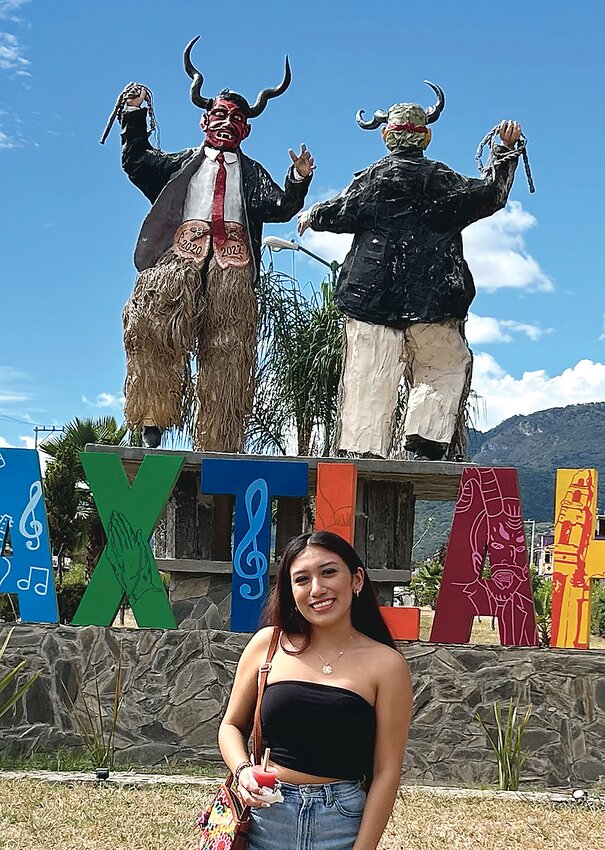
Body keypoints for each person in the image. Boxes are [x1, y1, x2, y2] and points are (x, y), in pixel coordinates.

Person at [298, 83, 522, 461]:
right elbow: (491, 195)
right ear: (426, 137)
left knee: (368, 373)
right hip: (434, 300)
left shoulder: (369, 181)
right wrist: (505, 154)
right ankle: (426, 438)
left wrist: (313, 215)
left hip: (370, 297)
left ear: (386, 136)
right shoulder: (445, 181)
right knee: (444, 365)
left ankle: (362, 446)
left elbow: (339, 211)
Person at [116, 37, 314, 450]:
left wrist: (297, 179)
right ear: (205, 121)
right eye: (220, 114)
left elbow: (279, 206)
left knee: (229, 351)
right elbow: (137, 162)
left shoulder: (253, 172)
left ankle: (220, 440)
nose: (227, 122)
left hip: (233, 267)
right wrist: (134, 116)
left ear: (246, 128)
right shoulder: (181, 165)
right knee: (152, 326)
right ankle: (153, 418)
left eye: (236, 118)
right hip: (179, 260)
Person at [219, 530, 413, 850]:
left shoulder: (386, 665)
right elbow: (230, 726)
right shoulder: (267, 646)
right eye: (302, 579)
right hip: (265, 816)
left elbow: (387, 772)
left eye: (329, 572)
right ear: (290, 590)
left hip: (341, 820)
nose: (317, 589)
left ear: (357, 579)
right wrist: (242, 771)